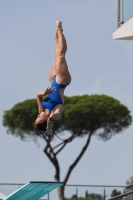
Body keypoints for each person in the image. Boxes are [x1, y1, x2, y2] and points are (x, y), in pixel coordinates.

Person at [34, 20, 71, 134]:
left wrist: (44, 93)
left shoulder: (41, 109)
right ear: (45, 121)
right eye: (40, 118)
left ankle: (57, 33)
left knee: (56, 56)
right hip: (61, 81)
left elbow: (38, 96)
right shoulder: (56, 111)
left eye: (37, 117)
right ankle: (59, 29)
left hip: (52, 80)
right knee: (60, 54)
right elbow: (56, 116)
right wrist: (49, 126)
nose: (39, 115)